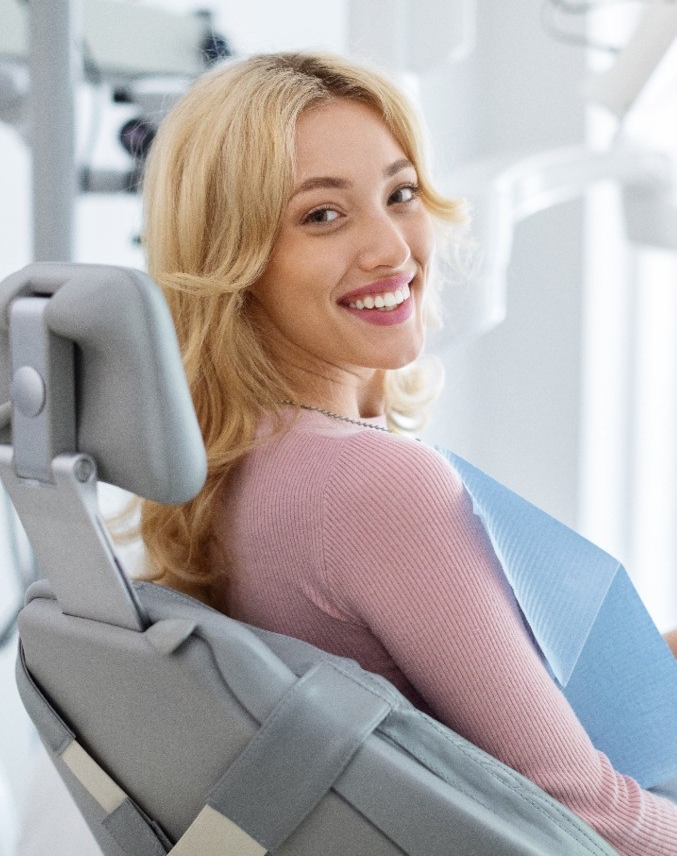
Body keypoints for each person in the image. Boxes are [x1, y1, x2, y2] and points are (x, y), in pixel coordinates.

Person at [139, 51, 677, 855]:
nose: (392, 249)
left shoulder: (233, 462)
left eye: (400, 195)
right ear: (235, 260)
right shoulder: (370, 484)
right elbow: (587, 818)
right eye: (322, 216)